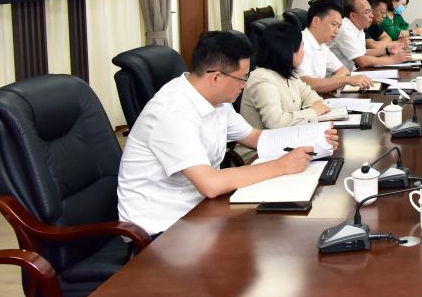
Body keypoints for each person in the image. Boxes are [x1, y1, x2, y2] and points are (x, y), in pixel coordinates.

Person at [117, 31, 340, 236]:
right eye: (242, 78)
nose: (244, 85)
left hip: (202, 209)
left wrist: (313, 137)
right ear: (216, 77)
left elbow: (255, 138)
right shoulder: (171, 111)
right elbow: (210, 183)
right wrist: (282, 166)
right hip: (163, 229)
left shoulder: (217, 101)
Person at [240, 22, 332, 129]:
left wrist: (317, 103)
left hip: (289, 134)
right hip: (267, 139)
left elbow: (308, 94)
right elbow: (275, 123)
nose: (304, 52)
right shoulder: (262, 80)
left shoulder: (288, 73)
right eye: (302, 47)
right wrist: (313, 112)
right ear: (289, 51)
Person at [297, 0, 374, 94]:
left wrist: (327, 85)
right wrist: (345, 80)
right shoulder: (300, 43)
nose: (337, 31)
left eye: (339, 26)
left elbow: (344, 70)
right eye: (333, 24)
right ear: (316, 21)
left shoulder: (322, 45)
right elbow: (306, 84)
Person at [331, 0, 411, 70]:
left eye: (371, 11)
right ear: (353, 15)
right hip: (336, 77)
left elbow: (363, 53)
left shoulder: (359, 28)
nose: (371, 15)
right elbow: (362, 61)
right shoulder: (345, 29)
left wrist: (387, 50)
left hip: (351, 72)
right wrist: (393, 60)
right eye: (367, 12)